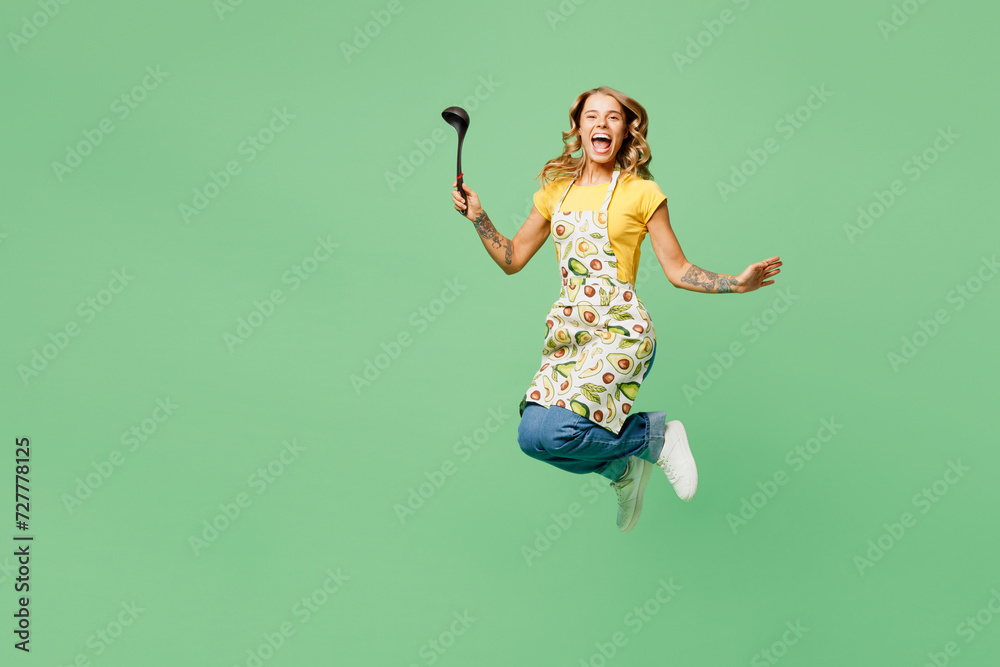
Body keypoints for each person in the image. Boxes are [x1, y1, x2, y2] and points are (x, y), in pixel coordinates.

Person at [450, 86, 782, 533]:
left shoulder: (642, 193)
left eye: (613, 117)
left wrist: (736, 284)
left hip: (621, 328)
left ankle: (657, 436)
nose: (601, 124)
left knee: (559, 431)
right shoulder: (555, 193)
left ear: (626, 131)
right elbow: (512, 258)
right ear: (579, 128)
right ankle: (622, 468)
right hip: (570, 330)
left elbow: (678, 269)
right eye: (592, 116)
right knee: (533, 435)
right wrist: (479, 217)